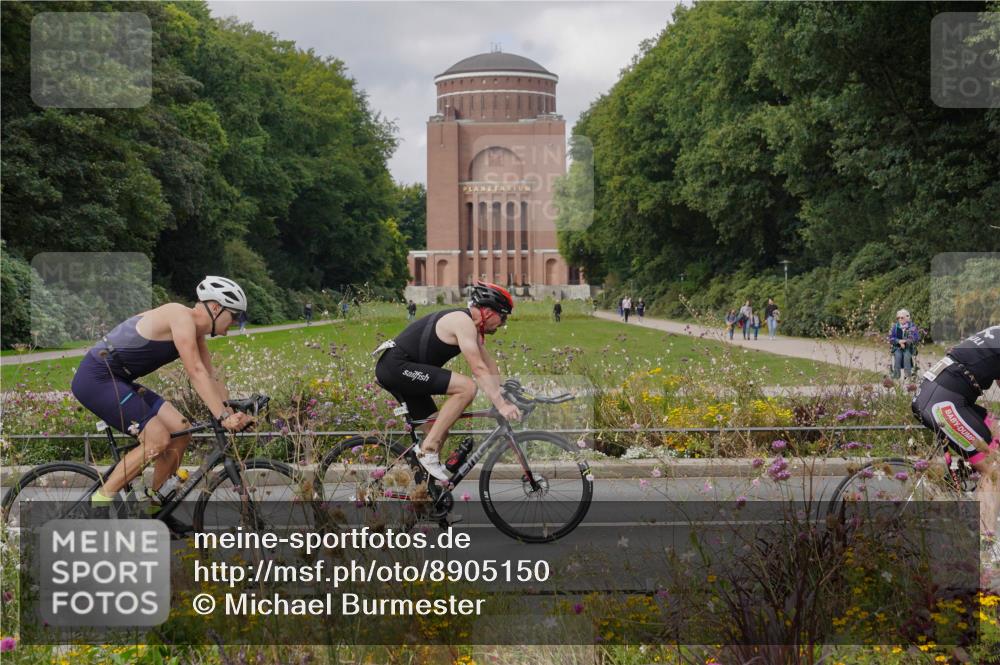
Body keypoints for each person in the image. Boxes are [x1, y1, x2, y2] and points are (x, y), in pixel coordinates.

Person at [70, 276, 254, 530]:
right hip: (97, 378)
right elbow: (196, 372)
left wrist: (231, 411)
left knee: (180, 431)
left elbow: (212, 375)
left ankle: (156, 511)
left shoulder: (196, 332)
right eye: (234, 316)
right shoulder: (180, 316)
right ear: (215, 308)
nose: (235, 322)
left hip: (119, 378)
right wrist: (222, 416)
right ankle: (99, 502)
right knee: (157, 439)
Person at [373, 282, 522, 482]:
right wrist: (501, 405)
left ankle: (427, 499)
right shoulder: (462, 322)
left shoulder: (474, 330)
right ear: (487, 311)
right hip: (396, 367)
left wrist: (502, 392)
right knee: (467, 387)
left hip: (407, 371)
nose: (503, 323)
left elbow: (489, 365)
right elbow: (478, 369)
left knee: (438, 429)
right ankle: (428, 450)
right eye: (503, 316)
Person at [912, 324, 1000, 557]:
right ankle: (987, 547)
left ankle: (951, 483)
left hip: (945, 395)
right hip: (944, 401)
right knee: (993, 469)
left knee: (995, 427)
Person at [889, 309, 920, 379]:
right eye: (898, 318)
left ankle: (908, 376)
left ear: (907, 317)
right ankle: (896, 377)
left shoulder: (911, 326)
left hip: (908, 348)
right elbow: (891, 338)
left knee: (907, 357)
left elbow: (916, 337)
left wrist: (905, 342)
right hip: (898, 348)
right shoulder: (895, 326)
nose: (900, 319)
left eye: (902, 317)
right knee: (897, 357)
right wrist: (899, 342)